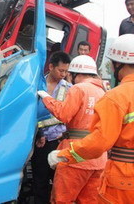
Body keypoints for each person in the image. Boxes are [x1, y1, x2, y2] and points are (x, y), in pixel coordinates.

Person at [48, 34, 134, 203]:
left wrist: (65, 155)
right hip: (100, 164)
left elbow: (100, 141)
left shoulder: (117, 96)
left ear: (118, 63)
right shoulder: (104, 91)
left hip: (122, 177)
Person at [38, 55, 106, 203]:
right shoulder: (103, 92)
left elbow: (64, 115)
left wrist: (46, 98)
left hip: (75, 156)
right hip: (98, 158)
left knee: (62, 199)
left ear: (76, 74)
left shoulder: (79, 89)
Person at [31, 51, 71, 204]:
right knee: (39, 181)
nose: (64, 74)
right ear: (51, 67)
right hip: (38, 140)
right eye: (61, 70)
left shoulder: (69, 89)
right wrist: (39, 132)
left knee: (58, 181)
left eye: (66, 71)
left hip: (58, 141)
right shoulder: (36, 85)